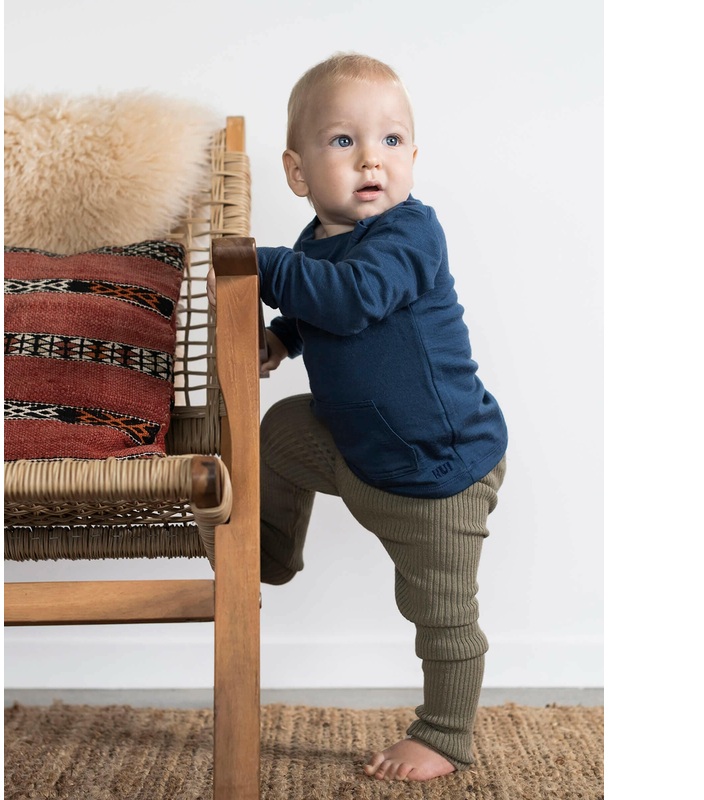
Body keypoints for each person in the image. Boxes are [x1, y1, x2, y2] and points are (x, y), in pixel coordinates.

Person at [208, 52, 507, 782]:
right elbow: (321, 307)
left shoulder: (411, 233)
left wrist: (255, 262)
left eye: (391, 140)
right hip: (358, 447)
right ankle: (270, 552)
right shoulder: (319, 242)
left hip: (435, 471)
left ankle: (444, 734)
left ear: (413, 159)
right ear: (298, 172)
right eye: (344, 140)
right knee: (281, 431)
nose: (372, 158)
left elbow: (353, 298)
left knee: (440, 613)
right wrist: (283, 338)